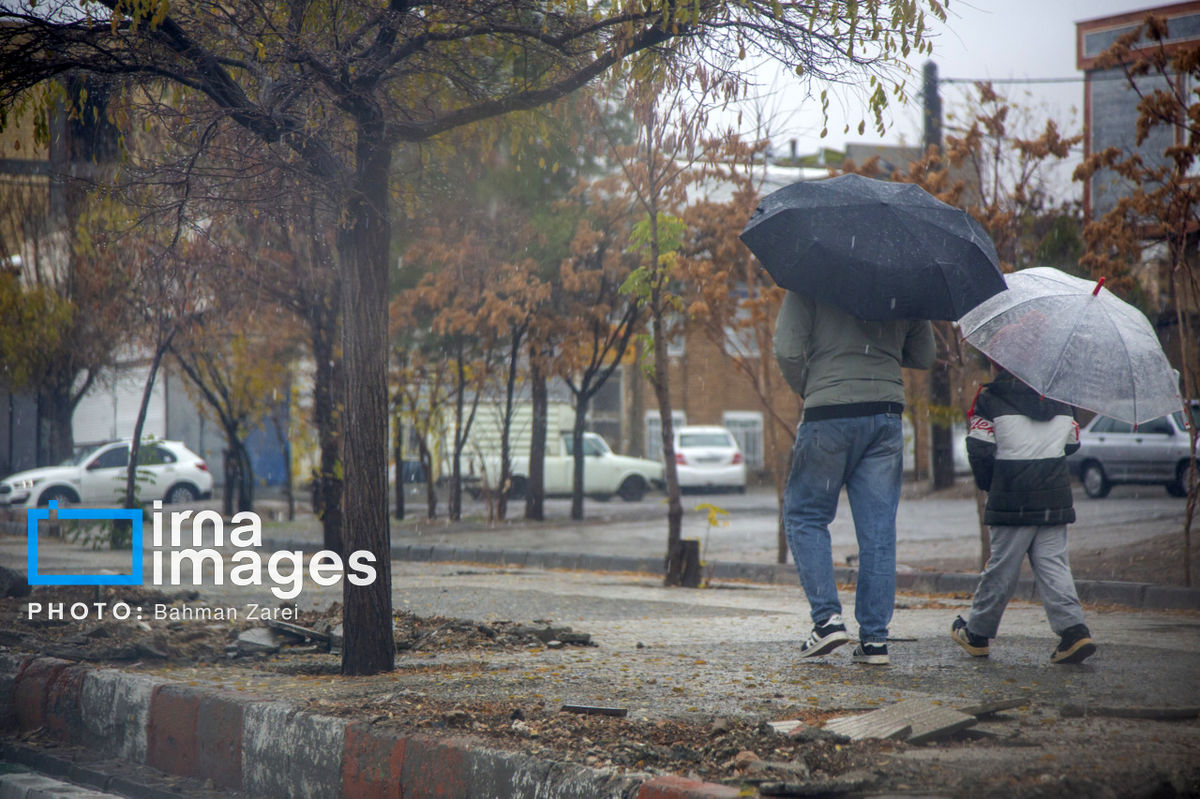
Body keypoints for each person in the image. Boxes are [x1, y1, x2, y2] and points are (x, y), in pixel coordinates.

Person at [773, 291, 935, 665]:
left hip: (828, 413)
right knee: (878, 531)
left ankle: (828, 620)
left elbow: (786, 349)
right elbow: (924, 356)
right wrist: (885, 351)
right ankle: (875, 640)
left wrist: (811, 385)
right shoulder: (903, 281)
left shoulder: (810, 277)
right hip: (885, 415)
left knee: (805, 515)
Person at [950, 361, 1097, 665]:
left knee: (1002, 567)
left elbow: (979, 449)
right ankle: (1074, 631)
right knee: (1054, 564)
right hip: (1053, 496)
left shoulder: (989, 399)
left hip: (1011, 497)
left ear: (997, 361)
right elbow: (1072, 444)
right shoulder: (1063, 399)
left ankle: (977, 633)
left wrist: (992, 484)